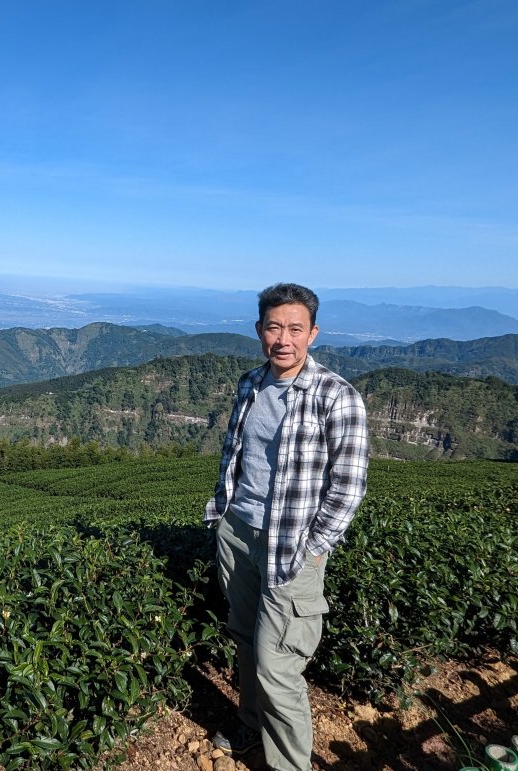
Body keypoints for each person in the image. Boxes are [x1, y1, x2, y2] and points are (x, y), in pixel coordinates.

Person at [204, 283, 368, 771]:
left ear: (312, 333)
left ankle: (289, 765)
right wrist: (222, 516)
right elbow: (236, 455)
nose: (283, 339)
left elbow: (349, 485)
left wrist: (316, 547)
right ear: (259, 331)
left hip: (292, 548)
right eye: (273, 327)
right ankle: (251, 726)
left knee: (278, 667)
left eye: (295, 328)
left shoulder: (335, 396)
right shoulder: (251, 384)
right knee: (245, 639)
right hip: (238, 533)